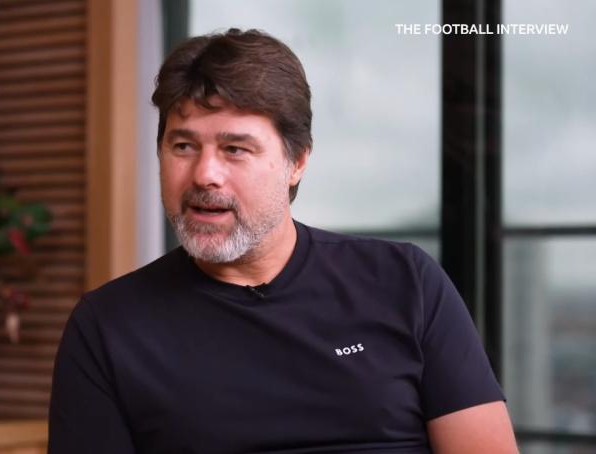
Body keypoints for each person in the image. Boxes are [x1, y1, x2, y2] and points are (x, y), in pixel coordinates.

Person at [48, 29, 519, 454]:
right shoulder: (108, 327)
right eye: (183, 146)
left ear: (297, 162)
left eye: (235, 149)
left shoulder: (406, 282)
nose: (204, 174)